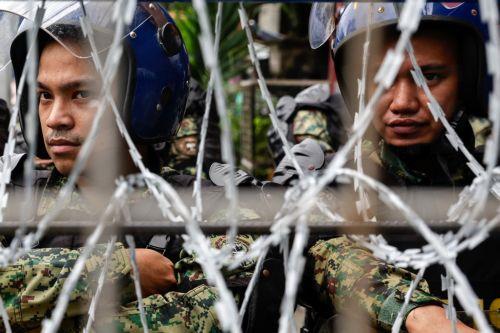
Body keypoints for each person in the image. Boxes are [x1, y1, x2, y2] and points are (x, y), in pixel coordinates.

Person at [0, 2, 479, 333]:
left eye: (81, 93)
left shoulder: (197, 207)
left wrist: (417, 312)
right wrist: (112, 268)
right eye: (44, 95)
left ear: (140, 97)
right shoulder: (11, 194)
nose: (55, 118)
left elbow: (319, 252)